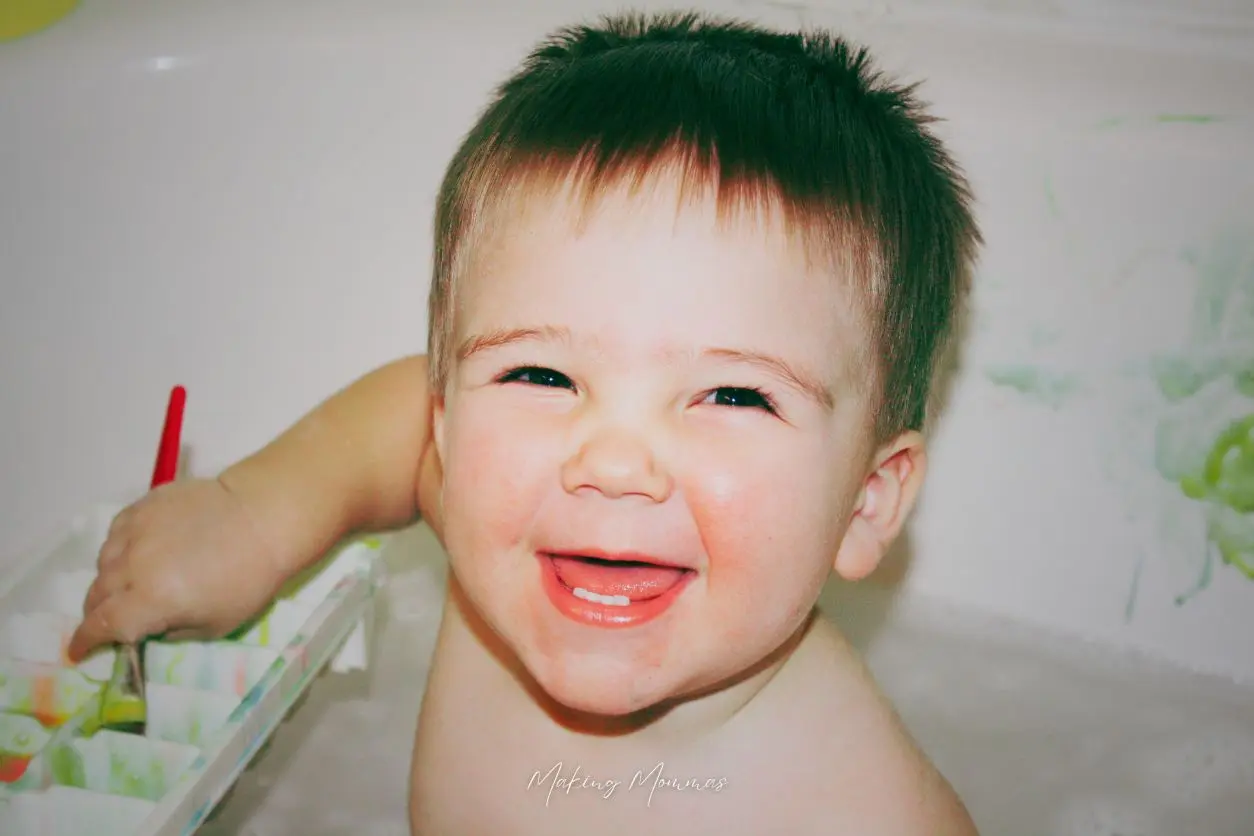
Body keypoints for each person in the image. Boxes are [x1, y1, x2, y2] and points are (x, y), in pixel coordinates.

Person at [69, 11, 981, 834]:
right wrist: (251, 519)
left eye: (734, 395)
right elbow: (396, 412)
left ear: (866, 503)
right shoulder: (498, 509)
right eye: (542, 374)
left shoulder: (857, 810)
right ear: (451, 420)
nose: (613, 461)